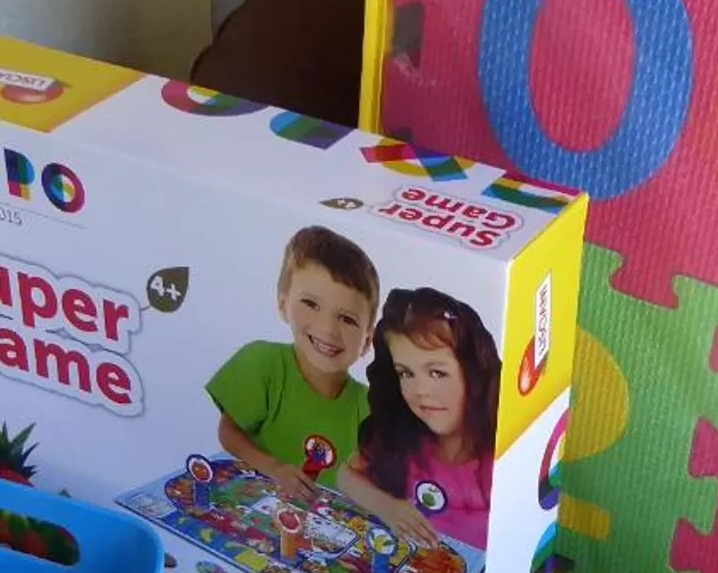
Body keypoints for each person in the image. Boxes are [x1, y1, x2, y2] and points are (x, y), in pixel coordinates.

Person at [206, 226, 380, 500]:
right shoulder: (262, 363)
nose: (328, 329)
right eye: (311, 303)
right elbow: (228, 432)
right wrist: (274, 469)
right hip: (248, 507)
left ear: (367, 341)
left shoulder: (369, 408)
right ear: (282, 303)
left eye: (347, 319)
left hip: (318, 529)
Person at [339, 287, 501, 549]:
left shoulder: (500, 456)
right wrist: (388, 506)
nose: (421, 391)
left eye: (437, 372)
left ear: (475, 374)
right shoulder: (401, 441)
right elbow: (346, 476)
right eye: (406, 374)